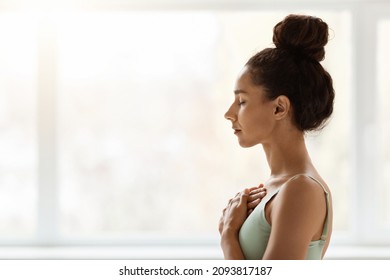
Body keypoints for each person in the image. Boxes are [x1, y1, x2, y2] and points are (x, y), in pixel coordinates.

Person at [218, 14, 334, 260]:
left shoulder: (301, 190)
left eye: (242, 101)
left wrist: (229, 235)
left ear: (279, 108)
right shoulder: (278, 187)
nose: (229, 113)